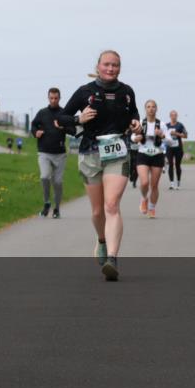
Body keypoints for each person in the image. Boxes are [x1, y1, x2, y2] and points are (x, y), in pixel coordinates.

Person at [56, 50, 141, 282]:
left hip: (118, 151)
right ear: (98, 66)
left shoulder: (126, 92)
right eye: (107, 64)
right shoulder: (85, 92)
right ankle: (102, 241)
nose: (111, 69)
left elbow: (134, 113)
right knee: (97, 211)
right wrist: (78, 120)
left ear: (120, 68)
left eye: (115, 65)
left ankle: (112, 259)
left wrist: (136, 123)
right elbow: (62, 117)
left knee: (111, 205)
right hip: (90, 152)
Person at [31, 88, 73, 218]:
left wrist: (63, 127)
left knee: (58, 182)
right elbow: (33, 125)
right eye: (51, 98)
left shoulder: (64, 113)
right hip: (44, 152)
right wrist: (35, 132)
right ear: (48, 98)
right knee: (44, 176)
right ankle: (47, 203)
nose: (53, 100)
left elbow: (72, 129)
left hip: (60, 154)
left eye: (56, 98)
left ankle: (57, 208)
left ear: (59, 98)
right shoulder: (42, 113)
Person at [132, 100, 165, 218]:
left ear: (156, 109)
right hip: (143, 154)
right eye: (148, 107)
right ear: (145, 109)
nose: (151, 109)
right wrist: (136, 138)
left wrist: (162, 135)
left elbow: (169, 141)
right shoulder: (140, 122)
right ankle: (144, 198)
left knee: (154, 185)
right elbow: (132, 137)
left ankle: (152, 208)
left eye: (153, 107)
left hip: (157, 155)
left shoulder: (161, 124)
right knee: (144, 182)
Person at [164, 110, 187, 189]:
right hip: (169, 148)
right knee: (170, 164)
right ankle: (171, 183)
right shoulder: (166, 125)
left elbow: (185, 135)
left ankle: (178, 182)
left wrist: (176, 134)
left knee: (177, 165)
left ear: (177, 116)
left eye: (175, 115)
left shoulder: (180, 125)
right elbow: (163, 135)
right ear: (170, 116)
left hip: (178, 148)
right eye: (172, 115)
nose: (173, 117)